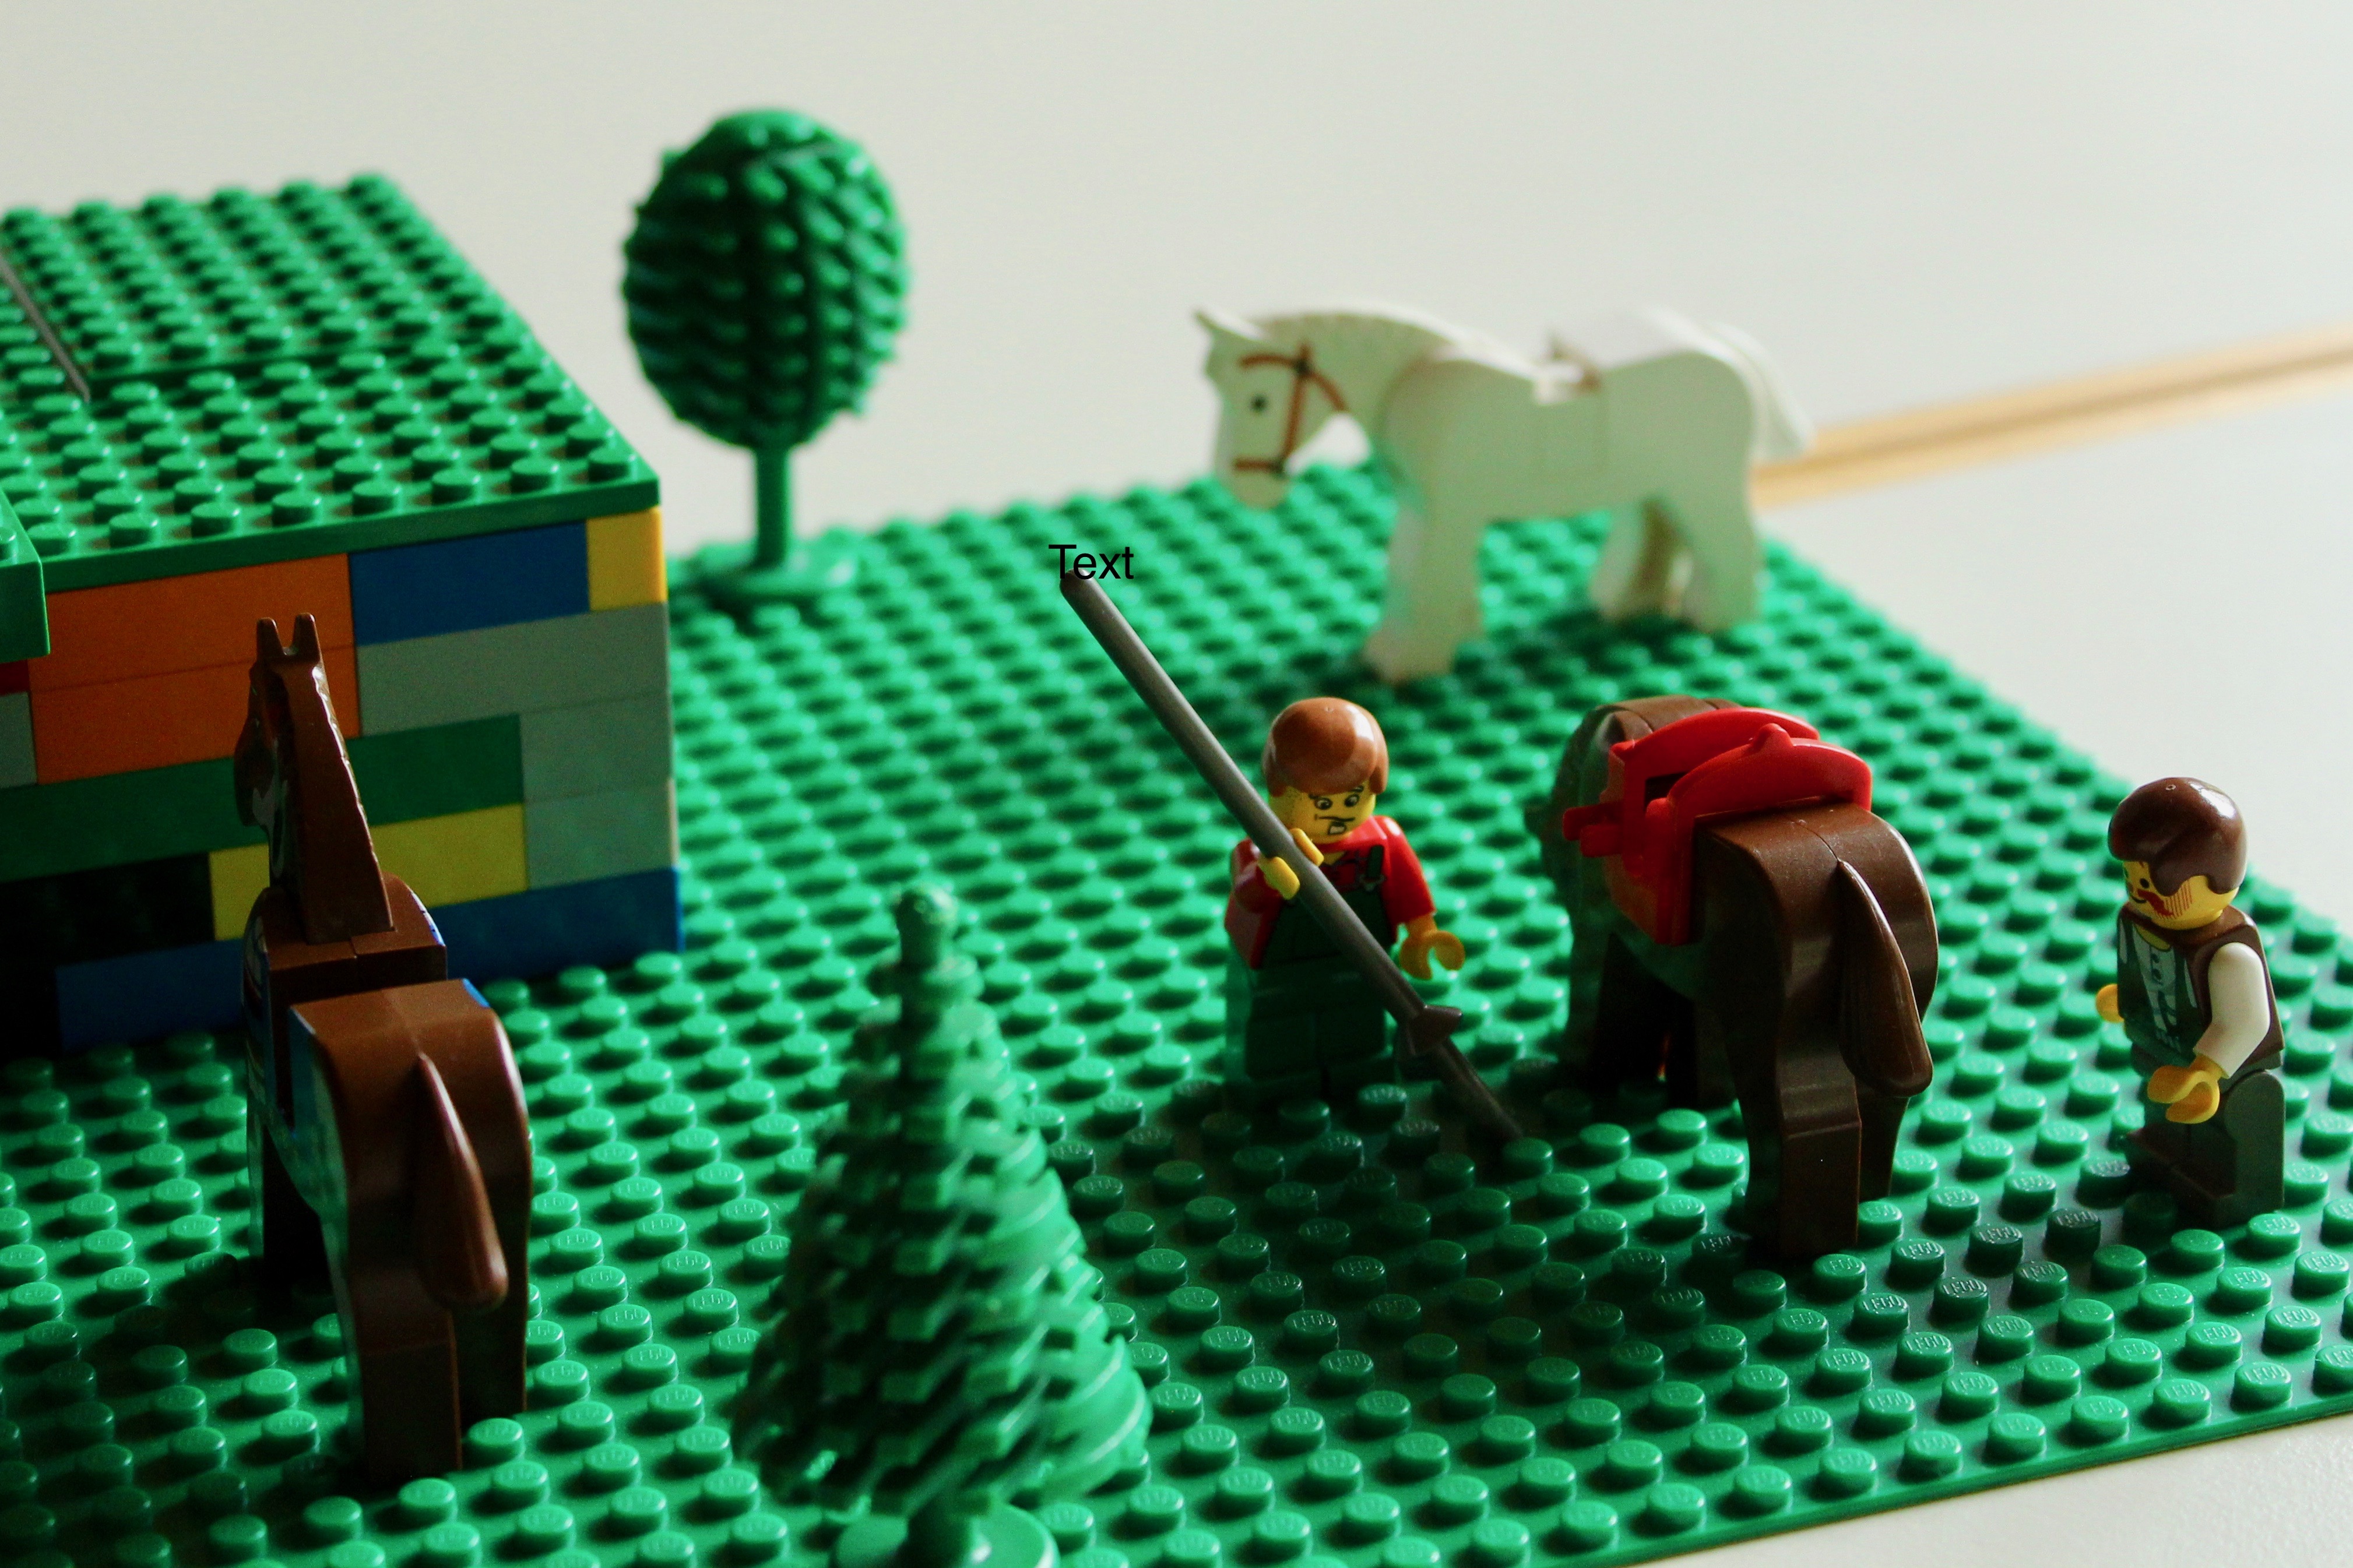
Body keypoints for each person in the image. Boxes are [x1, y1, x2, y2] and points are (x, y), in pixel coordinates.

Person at [1222, 697, 1465, 1104]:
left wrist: (1422, 933)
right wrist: (1270, 875)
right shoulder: (1261, 852)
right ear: (1278, 788)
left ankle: (1359, 1078)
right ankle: (1274, 1090)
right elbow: (1248, 894)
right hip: (1281, 967)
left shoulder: (1383, 841)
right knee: (1278, 1028)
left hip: (1363, 961)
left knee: (1357, 1023)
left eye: (1352, 799)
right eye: (1321, 803)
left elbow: (1408, 889)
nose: (1336, 813)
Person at [2096, 777, 2283, 1227]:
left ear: (2213, 880)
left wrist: (2206, 1069)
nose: (2139, 892)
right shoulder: (2141, 923)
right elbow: (2148, 970)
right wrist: (2127, 998)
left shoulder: (2228, 953)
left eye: (2153, 883)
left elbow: (2246, 1021)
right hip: (2164, 1047)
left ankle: (2229, 1186)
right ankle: (2161, 1153)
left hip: (2226, 1073)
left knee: (2229, 1124)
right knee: (2160, 1108)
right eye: (2132, 878)